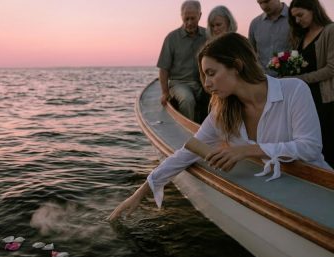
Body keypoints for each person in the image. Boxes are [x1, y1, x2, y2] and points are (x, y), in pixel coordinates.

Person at [107, 33, 332, 221]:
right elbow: (186, 153)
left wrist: (246, 150)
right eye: (204, 76)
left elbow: (309, 147)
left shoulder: (294, 90)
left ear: (236, 66)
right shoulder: (223, 112)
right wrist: (142, 191)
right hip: (276, 197)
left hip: (319, 191)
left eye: (211, 73)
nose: (206, 84)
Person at [289, 0, 334, 165]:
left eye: (300, 15)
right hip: (305, 97)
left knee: (327, 142)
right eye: (294, 17)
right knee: (310, 141)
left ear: (313, 10)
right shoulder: (302, 36)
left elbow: (331, 68)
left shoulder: (330, 30)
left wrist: (299, 79)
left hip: (325, 98)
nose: (297, 21)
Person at [157, 0, 208, 122]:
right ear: (181, 17)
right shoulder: (171, 38)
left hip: (203, 83)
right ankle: (189, 134)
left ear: (200, 16)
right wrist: (165, 92)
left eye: (193, 18)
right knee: (187, 100)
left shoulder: (208, 35)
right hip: (179, 83)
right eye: (186, 19)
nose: (189, 23)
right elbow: (163, 69)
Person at [249, 0, 292, 76]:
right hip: (264, 79)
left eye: (266, 1)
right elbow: (251, 52)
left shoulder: (294, 17)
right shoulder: (255, 24)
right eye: (260, 3)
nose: (263, 6)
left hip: (291, 78)